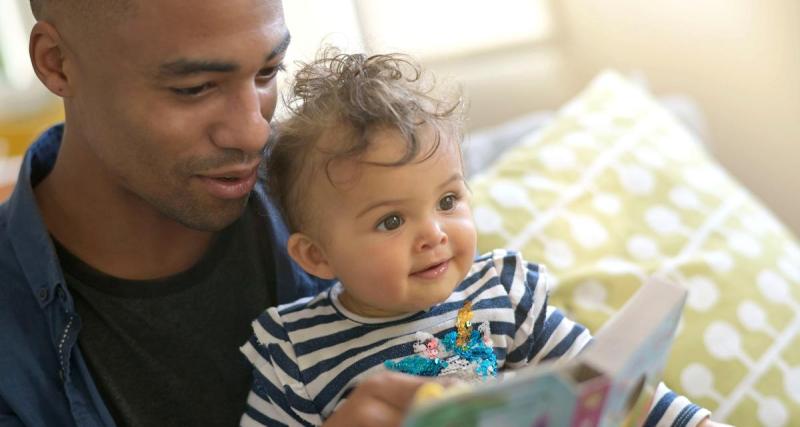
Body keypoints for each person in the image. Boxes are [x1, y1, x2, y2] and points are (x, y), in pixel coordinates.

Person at [0, 1, 433, 426]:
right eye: (195, 88)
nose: (254, 131)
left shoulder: (352, 190)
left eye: (267, 72)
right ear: (57, 63)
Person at [239, 49, 723, 427]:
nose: (433, 233)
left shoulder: (503, 294)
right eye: (391, 221)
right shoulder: (295, 354)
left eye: (448, 201)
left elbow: (608, 386)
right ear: (317, 256)